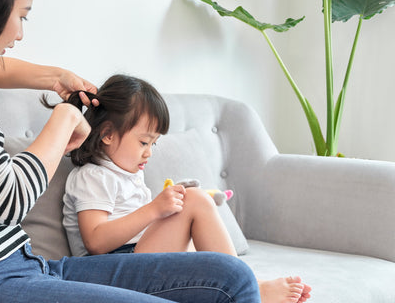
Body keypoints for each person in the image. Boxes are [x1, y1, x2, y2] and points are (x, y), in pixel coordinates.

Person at [0, 0, 262, 303]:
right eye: (21, 16)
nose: (20, 34)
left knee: (233, 277)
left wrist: (57, 77)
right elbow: (6, 200)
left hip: (20, 262)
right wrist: (65, 118)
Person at [62, 74, 312, 303]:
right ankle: (249, 286)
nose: (149, 152)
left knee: (190, 204)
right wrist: (153, 210)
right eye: (143, 142)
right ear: (107, 134)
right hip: (110, 271)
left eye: (154, 144)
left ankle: (234, 284)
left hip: (134, 261)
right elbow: (95, 241)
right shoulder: (92, 176)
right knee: (193, 200)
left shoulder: (128, 174)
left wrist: (165, 211)